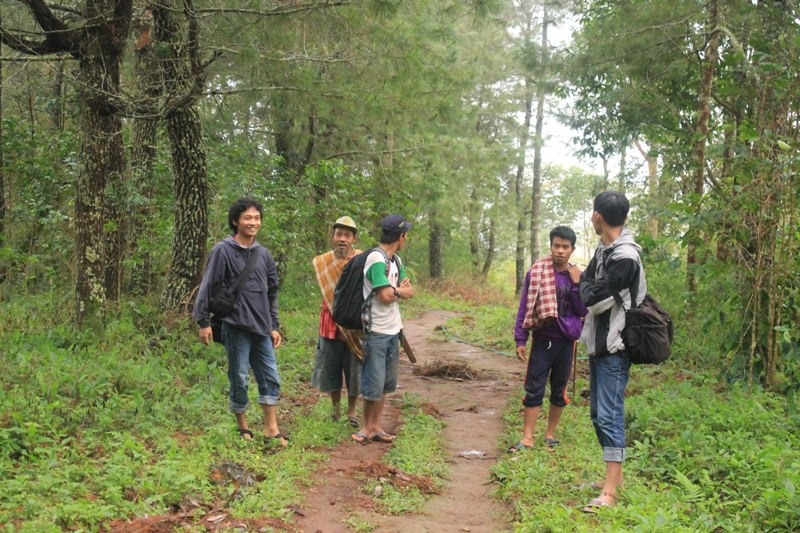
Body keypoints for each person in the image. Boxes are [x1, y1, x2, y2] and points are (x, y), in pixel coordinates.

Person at [193, 198, 287, 446]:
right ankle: (243, 428)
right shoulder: (222, 251)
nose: (253, 222)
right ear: (236, 221)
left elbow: (272, 291)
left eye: (256, 218)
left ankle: (271, 429)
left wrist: (274, 325)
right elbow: (208, 285)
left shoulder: (263, 255)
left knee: (270, 376)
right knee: (240, 376)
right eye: (248, 218)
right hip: (235, 326)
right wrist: (202, 321)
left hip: (262, 328)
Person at [578, 191, 647, 512]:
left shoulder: (625, 257)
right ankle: (613, 479)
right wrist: (588, 286)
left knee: (609, 415)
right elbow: (586, 286)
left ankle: (610, 493)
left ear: (597, 217)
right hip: (598, 342)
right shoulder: (605, 251)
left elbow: (593, 298)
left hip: (616, 345)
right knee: (597, 414)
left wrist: (588, 286)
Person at [512, 226, 587, 452]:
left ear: (572, 250)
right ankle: (527, 437)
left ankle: (550, 434)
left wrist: (577, 284)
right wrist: (520, 339)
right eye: (557, 246)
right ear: (551, 246)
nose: (560, 251)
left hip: (566, 341)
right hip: (543, 340)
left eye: (565, 247)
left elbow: (582, 310)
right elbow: (525, 306)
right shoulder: (537, 273)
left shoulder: (577, 277)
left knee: (559, 389)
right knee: (534, 388)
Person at [352, 214, 415, 444]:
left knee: (387, 382)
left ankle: (376, 426)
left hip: (393, 330)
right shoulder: (376, 260)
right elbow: (386, 295)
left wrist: (397, 290)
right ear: (400, 236)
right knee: (373, 381)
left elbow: (409, 289)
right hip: (376, 330)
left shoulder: (395, 260)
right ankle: (366, 426)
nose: (405, 238)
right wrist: (398, 291)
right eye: (405, 235)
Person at [311, 216, 363, 427]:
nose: (343, 239)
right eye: (339, 234)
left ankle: (352, 412)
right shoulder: (322, 262)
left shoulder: (362, 260)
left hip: (354, 324)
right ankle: (335, 410)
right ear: (332, 237)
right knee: (330, 367)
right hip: (329, 323)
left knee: (354, 369)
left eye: (347, 235)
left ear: (354, 239)